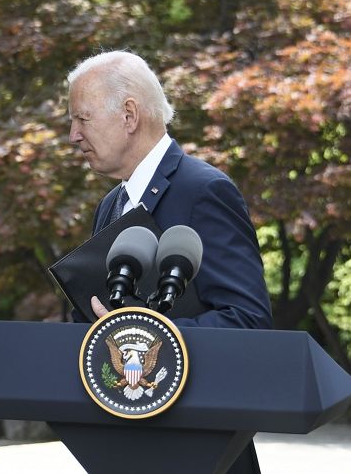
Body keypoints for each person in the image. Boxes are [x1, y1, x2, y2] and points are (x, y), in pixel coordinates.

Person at [67, 51, 272, 473]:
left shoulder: (204, 190)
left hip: (203, 451)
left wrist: (142, 331)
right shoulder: (112, 205)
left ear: (129, 115)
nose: (72, 135)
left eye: (81, 119)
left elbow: (248, 321)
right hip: (131, 444)